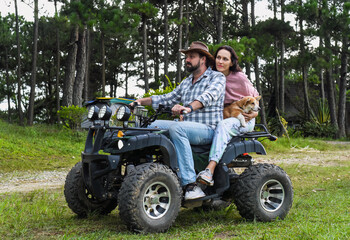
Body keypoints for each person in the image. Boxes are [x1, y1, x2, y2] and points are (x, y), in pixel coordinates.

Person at [130, 41, 226, 200]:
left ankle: (190, 185)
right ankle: (145, 171)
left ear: (203, 59)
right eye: (187, 57)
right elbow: (167, 98)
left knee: (177, 128)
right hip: (189, 127)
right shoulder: (187, 81)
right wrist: (140, 101)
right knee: (149, 126)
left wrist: (188, 108)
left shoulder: (217, 77)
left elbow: (208, 97)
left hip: (208, 129)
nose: (187, 60)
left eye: (192, 56)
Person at [196, 45, 259, 186]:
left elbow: (255, 98)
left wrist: (254, 113)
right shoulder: (210, 77)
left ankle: (209, 170)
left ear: (232, 62)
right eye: (218, 57)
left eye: (225, 59)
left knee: (223, 126)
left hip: (243, 117)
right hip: (223, 114)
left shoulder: (239, 78)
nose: (221, 61)